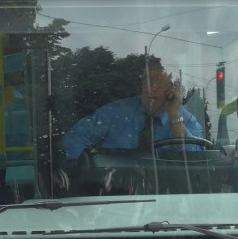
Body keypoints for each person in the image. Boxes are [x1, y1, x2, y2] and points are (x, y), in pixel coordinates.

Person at [62, 57, 203, 162]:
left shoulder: (187, 120)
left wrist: (174, 115)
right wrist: (84, 170)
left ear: (173, 89)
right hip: (115, 193)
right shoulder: (116, 112)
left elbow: (197, 159)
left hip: (170, 196)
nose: (151, 88)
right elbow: (74, 139)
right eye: (147, 81)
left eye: (159, 82)